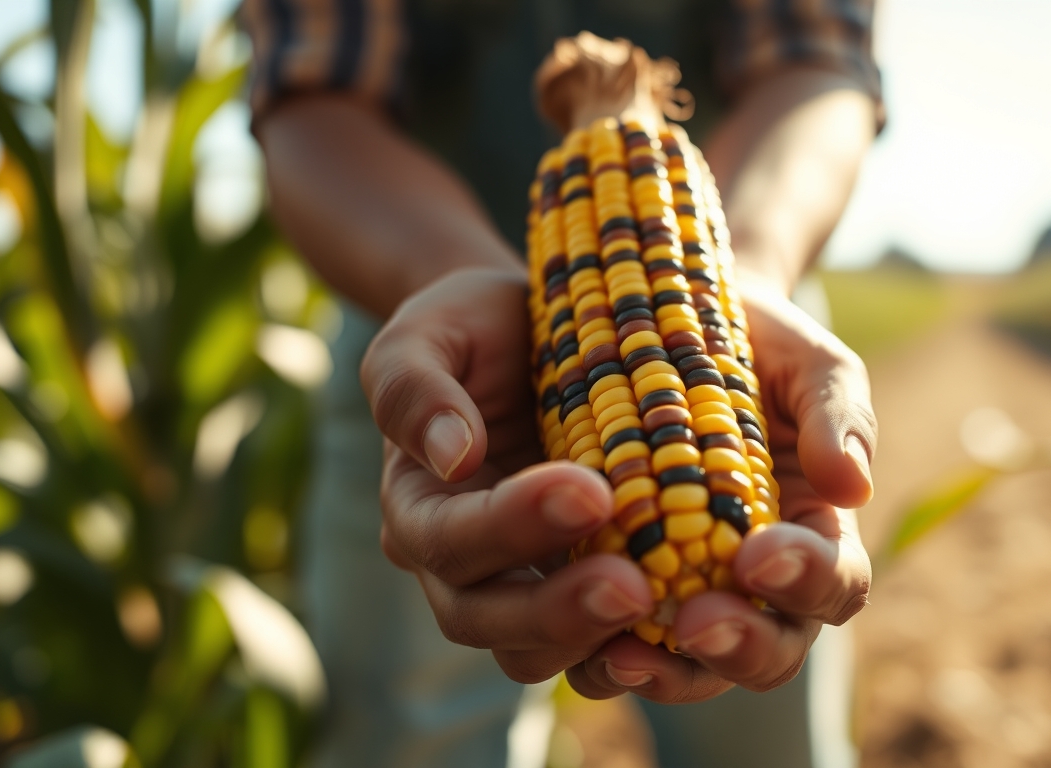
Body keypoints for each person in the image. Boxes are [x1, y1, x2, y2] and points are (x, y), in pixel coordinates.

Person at [242, 2, 881, 766]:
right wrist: (450, 272)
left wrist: (739, 273)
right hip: (414, 316)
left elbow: (813, 66)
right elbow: (314, 101)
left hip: (739, 289)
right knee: (405, 739)